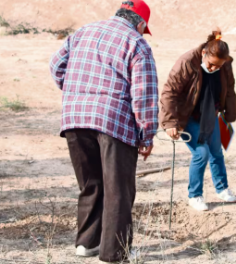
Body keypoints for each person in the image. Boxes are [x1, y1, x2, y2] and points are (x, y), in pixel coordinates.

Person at [49, 0, 158, 262]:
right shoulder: (137, 43)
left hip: (75, 118)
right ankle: (114, 253)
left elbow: (55, 66)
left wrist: (78, 93)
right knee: (118, 190)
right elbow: (144, 95)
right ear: (140, 23)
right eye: (144, 28)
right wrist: (147, 135)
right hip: (113, 122)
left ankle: (86, 244)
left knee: (90, 184)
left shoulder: (83, 32)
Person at [159, 30, 236, 211]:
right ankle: (195, 195)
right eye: (211, 65)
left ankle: (222, 189)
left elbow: (230, 89)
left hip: (211, 114)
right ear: (204, 53)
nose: (213, 69)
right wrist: (170, 122)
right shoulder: (186, 62)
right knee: (201, 153)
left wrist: (230, 114)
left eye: (218, 66)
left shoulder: (225, 64)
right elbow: (169, 92)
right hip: (188, 116)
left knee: (217, 152)